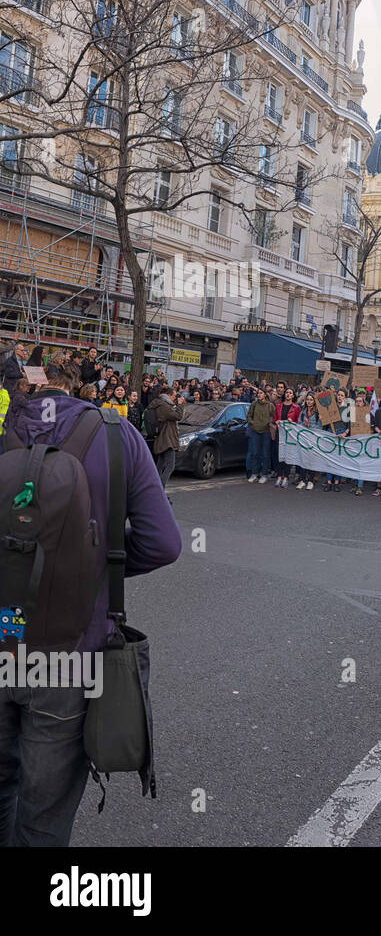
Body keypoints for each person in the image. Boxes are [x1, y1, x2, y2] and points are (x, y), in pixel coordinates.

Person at [0, 354, 180, 846]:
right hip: (71, 653)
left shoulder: (3, 426)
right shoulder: (117, 435)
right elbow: (164, 542)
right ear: (79, 387)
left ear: (32, 386)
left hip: (2, 635)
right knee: (44, 816)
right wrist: (96, 564)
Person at [145, 384, 184, 490]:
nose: (175, 398)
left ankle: (154, 488)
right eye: (174, 396)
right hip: (167, 439)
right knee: (170, 466)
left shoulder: (161, 403)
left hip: (163, 438)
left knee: (161, 465)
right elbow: (178, 416)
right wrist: (180, 404)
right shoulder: (163, 406)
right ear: (168, 395)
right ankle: (160, 490)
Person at [271, 391, 300, 488]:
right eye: (287, 392)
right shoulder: (278, 406)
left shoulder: (296, 408)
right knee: (280, 454)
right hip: (280, 432)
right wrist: (276, 421)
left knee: (288, 455)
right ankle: (279, 476)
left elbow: (298, 422)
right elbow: (274, 419)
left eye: (290, 393)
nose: (288, 394)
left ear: (293, 396)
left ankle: (286, 477)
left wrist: (292, 422)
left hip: (290, 434)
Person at [244, 388, 273, 484]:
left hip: (266, 432)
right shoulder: (254, 404)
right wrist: (253, 423)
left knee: (265, 454)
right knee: (254, 453)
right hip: (255, 431)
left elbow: (274, 416)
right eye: (258, 393)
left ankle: (264, 474)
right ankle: (254, 473)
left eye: (261, 393)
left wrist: (269, 423)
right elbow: (248, 416)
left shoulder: (270, 405)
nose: (259, 395)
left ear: (265, 394)